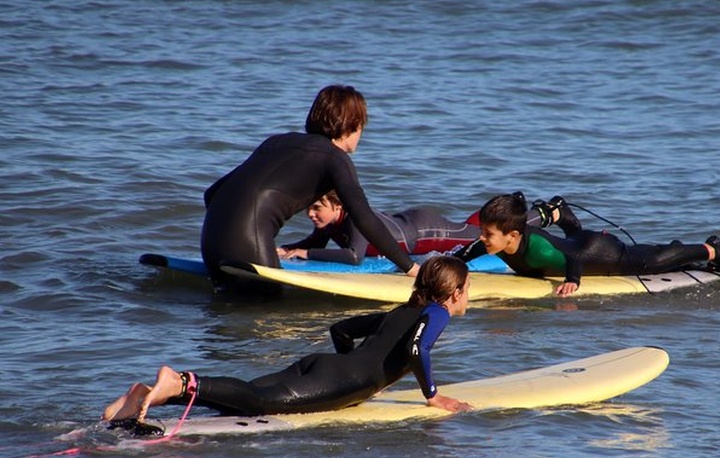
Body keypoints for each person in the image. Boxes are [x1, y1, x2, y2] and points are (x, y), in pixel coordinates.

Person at [102, 256, 473, 423]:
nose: (468, 296)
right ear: (453, 293)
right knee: (259, 404)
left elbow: (340, 330)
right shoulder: (437, 312)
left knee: (244, 399)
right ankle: (182, 380)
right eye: (468, 289)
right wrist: (433, 395)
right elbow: (416, 349)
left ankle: (154, 396)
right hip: (343, 379)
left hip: (323, 366)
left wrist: (351, 362)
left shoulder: (400, 312)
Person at [200, 85, 418, 294]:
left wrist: (227, 237)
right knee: (265, 318)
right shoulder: (335, 158)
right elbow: (365, 219)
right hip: (248, 238)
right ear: (353, 125)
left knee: (226, 312)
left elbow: (211, 193)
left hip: (210, 238)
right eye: (362, 127)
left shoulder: (276, 142)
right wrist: (410, 268)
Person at [453, 192, 720, 297]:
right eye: (482, 231)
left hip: (598, 252)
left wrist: (572, 282)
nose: (482, 238)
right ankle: (562, 216)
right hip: (577, 243)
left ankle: (711, 248)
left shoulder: (537, 248)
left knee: (652, 261)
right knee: (572, 239)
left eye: (487, 234)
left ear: (513, 237)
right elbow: (462, 256)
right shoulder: (493, 244)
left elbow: (571, 261)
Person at [277, 190, 482, 265]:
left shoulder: (355, 218)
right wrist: (287, 248)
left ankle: (508, 210)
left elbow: (355, 257)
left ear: (337, 205)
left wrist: (306, 253)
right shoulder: (329, 221)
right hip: (405, 220)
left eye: (317, 208)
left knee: (479, 234)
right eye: (309, 209)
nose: (310, 214)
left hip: (426, 232)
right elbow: (315, 243)